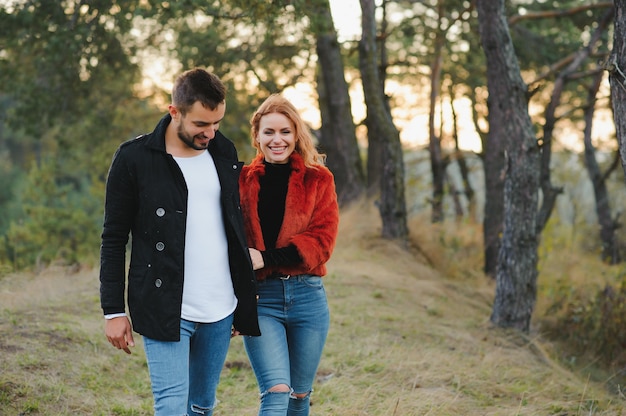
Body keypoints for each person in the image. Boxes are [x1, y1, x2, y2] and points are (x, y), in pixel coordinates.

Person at [99, 68, 260, 416]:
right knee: (171, 406)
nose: (210, 132)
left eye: (217, 122)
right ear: (175, 112)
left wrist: (238, 299)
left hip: (219, 307)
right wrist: (113, 311)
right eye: (201, 124)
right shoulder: (134, 158)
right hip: (162, 302)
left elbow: (234, 226)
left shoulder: (223, 150)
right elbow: (113, 238)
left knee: (201, 406)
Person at [239, 93, 339, 415]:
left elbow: (322, 240)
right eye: (269, 132)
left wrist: (267, 258)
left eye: (284, 132)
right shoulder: (241, 181)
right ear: (257, 136)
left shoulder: (318, 179)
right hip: (261, 300)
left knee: (299, 395)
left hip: (308, 298)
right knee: (276, 390)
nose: (277, 139)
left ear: (296, 134)